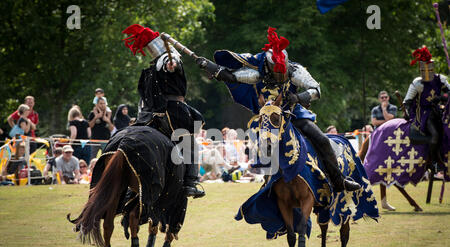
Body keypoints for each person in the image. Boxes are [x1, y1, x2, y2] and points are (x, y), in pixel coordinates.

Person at [196, 27, 361, 192]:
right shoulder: (257, 73)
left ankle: (339, 180)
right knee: (261, 141)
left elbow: (316, 90)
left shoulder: (295, 70)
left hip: (293, 113)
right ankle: (268, 183)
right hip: (269, 118)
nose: (280, 76)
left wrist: (298, 98)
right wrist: (208, 66)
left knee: (323, 140)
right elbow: (230, 76)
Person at [123, 24, 205, 198]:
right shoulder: (169, 60)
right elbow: (171, 63)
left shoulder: (151, 70)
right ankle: (190, 182)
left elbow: (170, 64)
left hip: (147, 116)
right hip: (173, 114)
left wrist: (171, 63)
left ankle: (129, 188)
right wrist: (172, 63)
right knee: (190, 144)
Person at [403, 46, 450, 164]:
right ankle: (434, 162)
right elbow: (407, 101)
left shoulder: (441, 80)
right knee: (435, 135)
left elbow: (449, 93)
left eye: (430, 69)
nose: (428, 72)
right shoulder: (417, 83)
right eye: (425, 70)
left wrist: (441, 97)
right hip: (423, 114)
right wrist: (408, 113)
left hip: (439, 111)